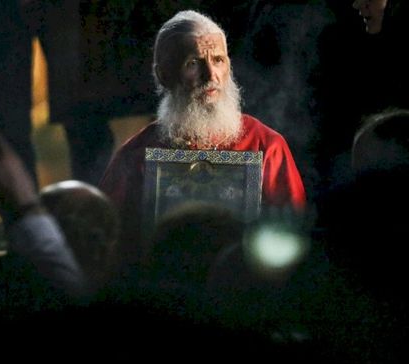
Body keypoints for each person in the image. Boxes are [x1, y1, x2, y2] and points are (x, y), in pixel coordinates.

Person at [99, 10, 306, 257]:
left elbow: (291, 234)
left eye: (218, 60)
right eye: (193, 63)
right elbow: (110, 244)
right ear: (164, 76)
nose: (211, 76)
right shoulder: (136, 156)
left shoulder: (266, 146)